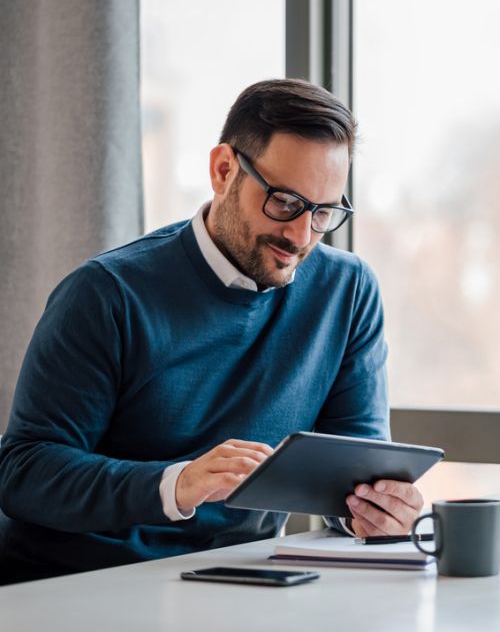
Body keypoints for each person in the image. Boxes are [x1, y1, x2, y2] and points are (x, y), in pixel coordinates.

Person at [0, 79, 423, 583]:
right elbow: (23, 472)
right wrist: (176, 483)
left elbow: (354, 472)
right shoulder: (106, 294)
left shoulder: (347, 292)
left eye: (323, 212)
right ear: (224, 171)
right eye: (285, 202)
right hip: (80, 583)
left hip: (240, 581)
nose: (301, 235)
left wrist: (376, 509)